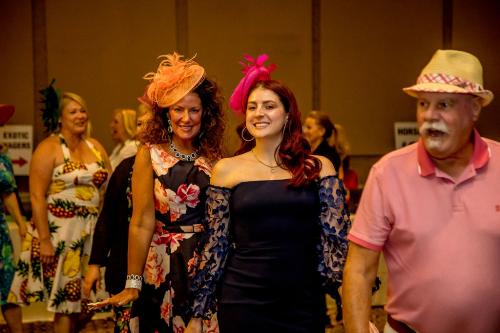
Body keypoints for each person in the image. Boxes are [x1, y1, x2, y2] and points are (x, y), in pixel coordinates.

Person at [186, 54, 350, 333]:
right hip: (242, 298)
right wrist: (198, 314)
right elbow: (216, 245)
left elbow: (336, 244)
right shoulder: (227, 170)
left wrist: (351, 305)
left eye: (269, 106)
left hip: (302, 299)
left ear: (288, 115)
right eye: (252, 107)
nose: (258, 113)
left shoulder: (319, 168)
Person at [343, 49, 500, 333]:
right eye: (423, 104)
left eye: (444, 104)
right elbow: (359, 270)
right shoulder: (387, 174)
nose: (429, 116)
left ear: (475, 108)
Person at [90, 52, 225, 333]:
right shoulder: (149, 155)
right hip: (158, 265)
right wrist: (132, 282)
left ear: (206, 113)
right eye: (178, 109)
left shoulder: (217, 158)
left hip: (203, 265)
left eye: (194, 110)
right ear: (166, 113)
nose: (185, 118)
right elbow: (140, 222)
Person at [9, 85, 111, 333]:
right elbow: (36, 195)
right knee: (66, 304)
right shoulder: (49, 147)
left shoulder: (96, 146)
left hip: (90, 235)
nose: (81, 116)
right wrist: (44, 240)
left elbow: (110, 185)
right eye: (74, 111)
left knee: (92, 301)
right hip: (59, 237)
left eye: (83, 111)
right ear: (60, 118)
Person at [83, 104, 152, 333]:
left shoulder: (174, 169)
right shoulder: (126, 168)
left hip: (161, 267)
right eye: (140, 123)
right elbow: (108, 217)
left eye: (149, 123)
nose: (143, 129)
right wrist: (95, 264)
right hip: (123, 265)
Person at [0, 104, 27, 333]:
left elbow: (8, 192)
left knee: (8, 286)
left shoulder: (2, 157)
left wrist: (20, 223)